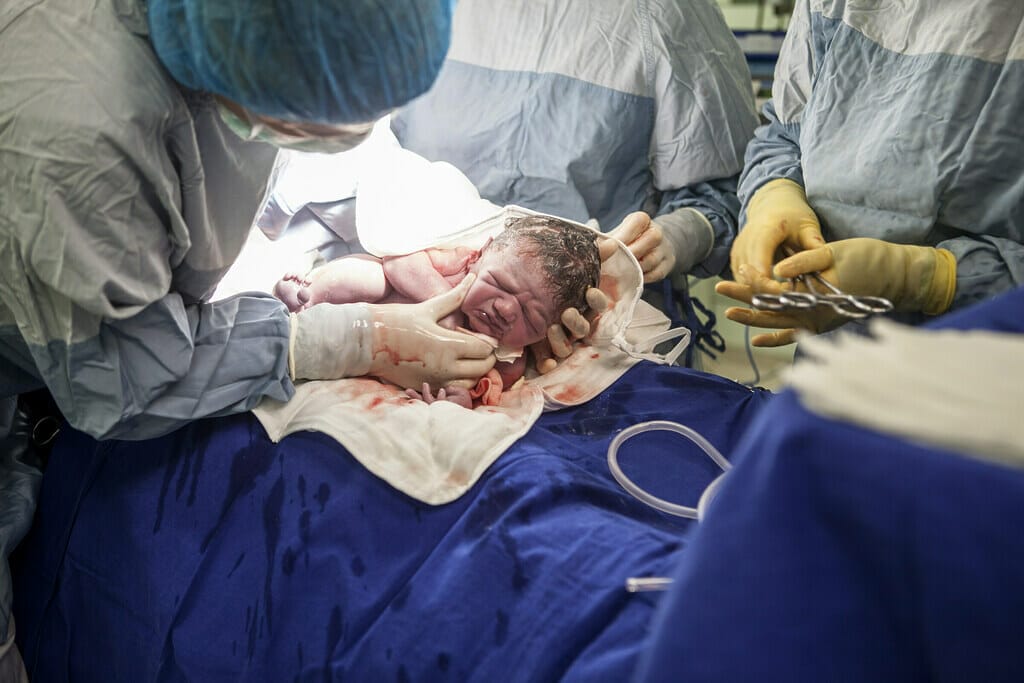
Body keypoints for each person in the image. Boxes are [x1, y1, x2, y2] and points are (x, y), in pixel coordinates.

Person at [0, 0, 492, 677]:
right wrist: (347, 339)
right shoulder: (82, 129)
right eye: (322, 122)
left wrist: (387, 250)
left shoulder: (234, 40)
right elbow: (125, 378)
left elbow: (273, 135)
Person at [716, 0, 1024, 347]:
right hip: (837, 347)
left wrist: (931, 277)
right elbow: (786, 132)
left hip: (994, 362)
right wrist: (773, 192)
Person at [273, 215, 603, 407]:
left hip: (389, 365)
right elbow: (398, 261)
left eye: (530, 318)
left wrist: (458, 399)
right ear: (481, 255)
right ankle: (311, 294)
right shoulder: (458, 261)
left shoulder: (509, 359)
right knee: (372, 278)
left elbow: (483, 389)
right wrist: (444, 298)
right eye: (500, 283)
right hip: (374, 304)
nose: (505, 308)